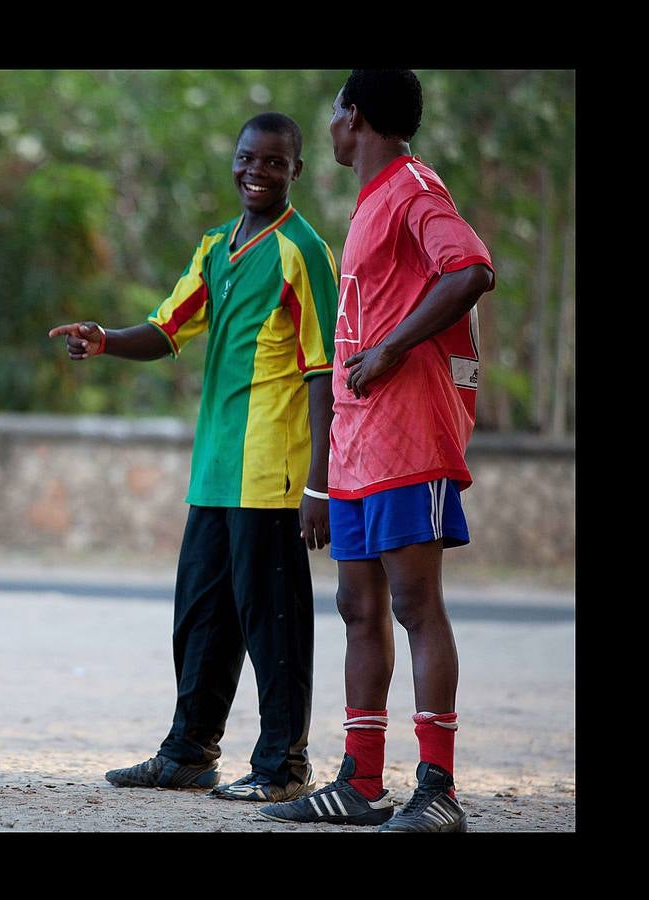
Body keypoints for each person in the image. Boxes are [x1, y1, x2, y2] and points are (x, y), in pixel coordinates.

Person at [48, 112, 339, 803]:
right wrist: (106, 340)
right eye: (247, 159)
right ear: (233, 161)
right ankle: (187, 754)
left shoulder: (304, 251)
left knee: (274, 624)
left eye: (273, 163)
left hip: (271, 471)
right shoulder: (216, 246)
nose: (256, 173)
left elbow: (326, 374)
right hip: (213, 469)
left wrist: (320, 488)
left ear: (296, 171)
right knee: (202, 614)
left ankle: (282, 767)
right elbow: (166, 328)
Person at [259, 70, 495, 832]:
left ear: (352, 117)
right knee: (358, 607)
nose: (328, 125)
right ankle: (361, 783)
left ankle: (439, 789)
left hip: (410, 438)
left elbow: (471, 269)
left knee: (414, 604)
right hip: (360, 447)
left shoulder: (416, 188)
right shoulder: (372, 199)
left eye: (332, 113)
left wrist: (392, 349)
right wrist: (324, 482)